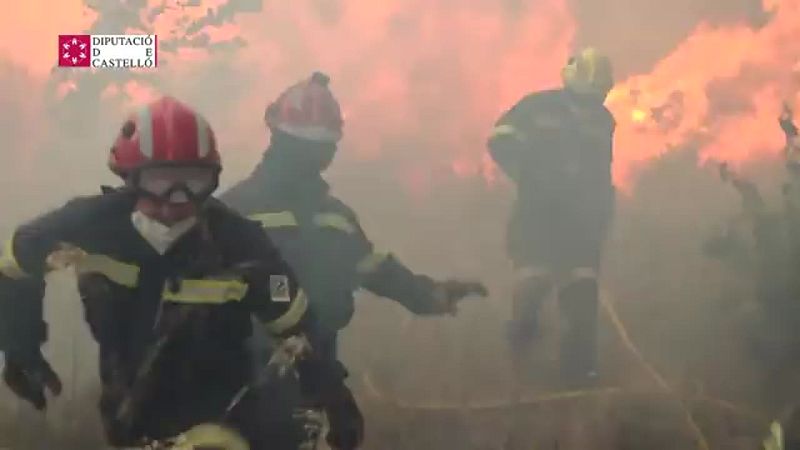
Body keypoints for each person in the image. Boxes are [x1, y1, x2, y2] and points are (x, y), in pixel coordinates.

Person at [0, 96, 348, 449]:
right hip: (130, 420)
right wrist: (20, 343)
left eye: (192, 182)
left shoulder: (241, 244)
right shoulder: (89, 227)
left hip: (234, 418)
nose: (175, 201)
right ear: (129, 178)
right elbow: (16, 261)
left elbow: (296, 322)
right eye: (159, 181)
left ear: (211, 182)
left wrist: (333, 392)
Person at [220, 71, 488, 447]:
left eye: (322, 147)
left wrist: (430, 295)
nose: (315, 157)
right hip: (246, 375)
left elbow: (372, 268)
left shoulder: (334, 217)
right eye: (305, 146)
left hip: (318, 371)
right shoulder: (234, 211)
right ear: (279, 140)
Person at [487, 47, 616, 385]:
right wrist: (529, 176)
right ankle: (519, 370)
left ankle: (579, 377)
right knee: (533, 286)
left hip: (581, 227)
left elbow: (602, 172)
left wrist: (602, 212)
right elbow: (499, 139)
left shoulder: (604, 121)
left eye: (597, 98)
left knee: (582, 297)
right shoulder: (537, 107)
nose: (591, 106)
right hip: (537, 218)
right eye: (587, 97)